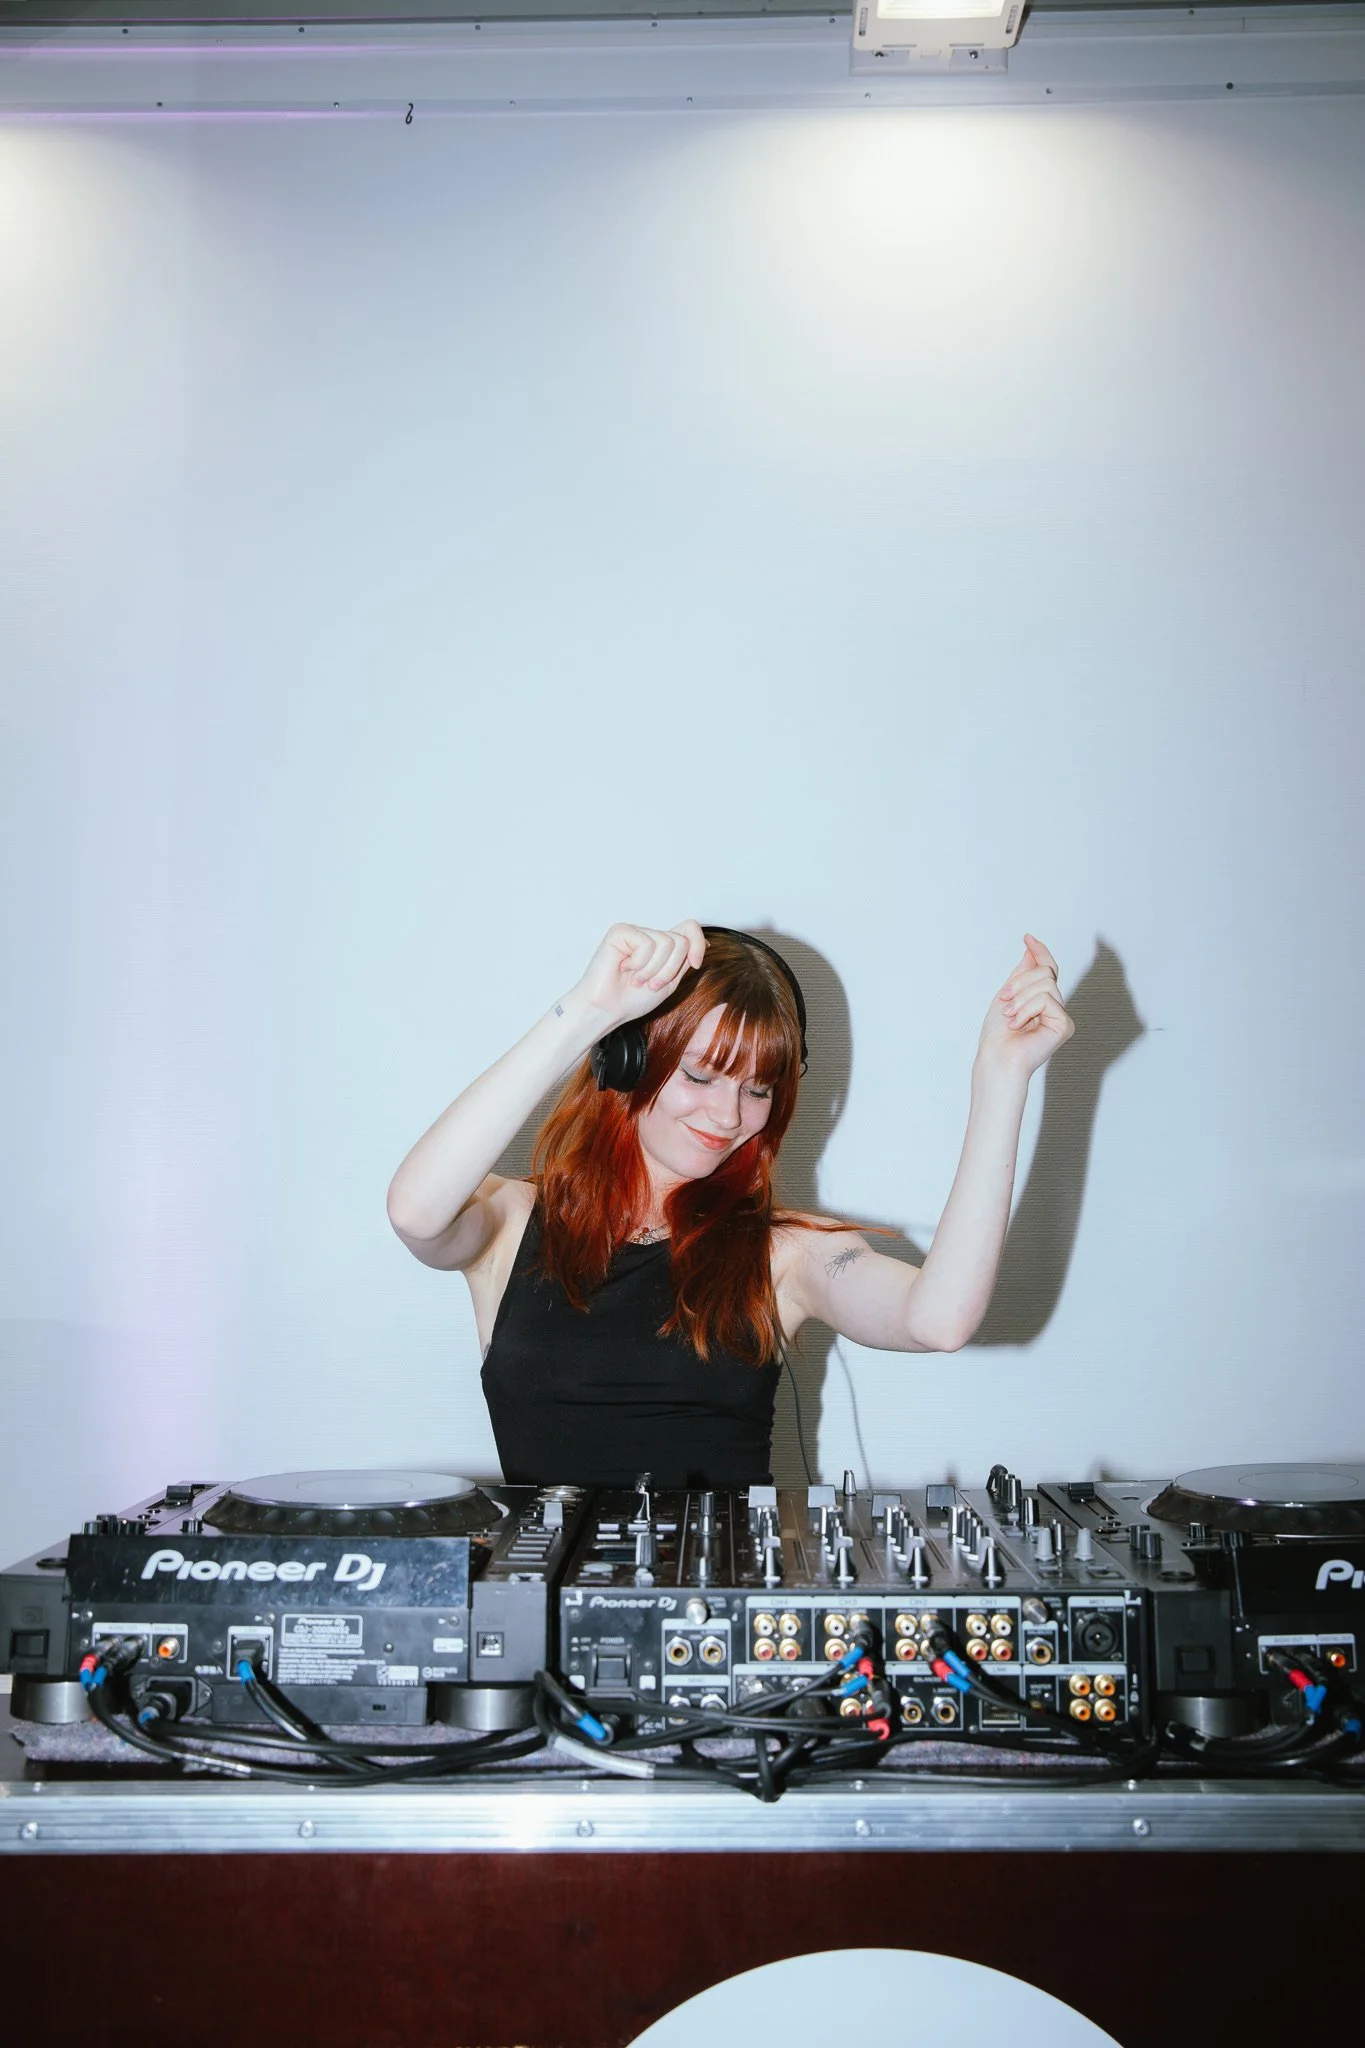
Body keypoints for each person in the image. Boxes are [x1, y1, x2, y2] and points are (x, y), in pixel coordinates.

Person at [386, 920, 1074, 1488]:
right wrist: (588, 1015)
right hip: (547, 1628)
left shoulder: (786, 1253)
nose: (729, 1113)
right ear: (630, 1061)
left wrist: (1002, 1075)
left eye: (757, 1088)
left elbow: (938, 1320)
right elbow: (415, 1212)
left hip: (725, 1624)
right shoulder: (508, 1224)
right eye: (700, 1074)